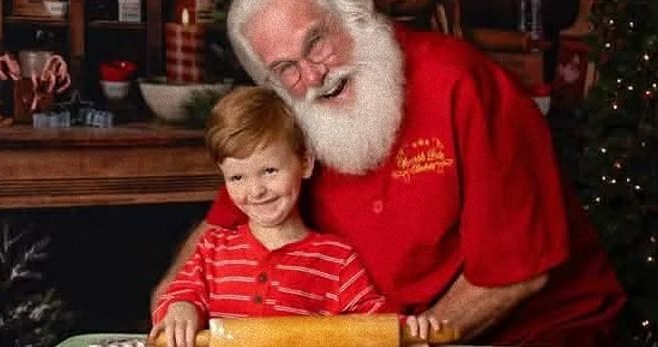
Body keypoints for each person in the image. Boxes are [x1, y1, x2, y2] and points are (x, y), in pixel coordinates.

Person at [153, 0, 625, 346]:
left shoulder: (463, 83)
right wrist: (171, 310)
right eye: (285, 69)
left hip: (528, 330)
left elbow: (519, 275)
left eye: (316, 42)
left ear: (354, 12)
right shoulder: (290, 111)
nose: (314, 77)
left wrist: (412, 344)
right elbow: (225, 224)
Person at [149, 86, 441, 347]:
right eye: (237, 177)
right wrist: (181, 308)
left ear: (305, 163)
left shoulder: (336, 259)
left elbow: (373, 324)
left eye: (269, 171)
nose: (256, 191)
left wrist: (410, 329)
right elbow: (179, 294)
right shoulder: (212, 249)